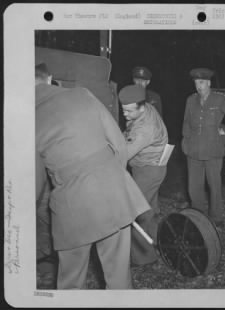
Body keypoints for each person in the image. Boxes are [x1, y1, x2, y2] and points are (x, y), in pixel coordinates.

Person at [35, 62, 151, 289]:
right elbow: (118, 145)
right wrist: (109, 180)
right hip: (113, 194)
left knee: (71, 281)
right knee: (119, 278)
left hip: (71, 206)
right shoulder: (82, 94)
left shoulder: (26, 119)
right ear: (50, 79)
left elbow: (36, 183)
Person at [118, 84, 168, 266]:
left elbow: (123, 155)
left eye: (129, 111)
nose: (125, 115)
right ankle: (155, 248)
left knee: (134, 211)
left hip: (149, 171)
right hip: (151, 167)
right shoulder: (146, 109)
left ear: (141, 106)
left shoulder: (146, 129)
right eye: (123, 110)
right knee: (148, 211)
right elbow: (128, 131)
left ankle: (141, 258)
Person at [182, 68, 225, 225]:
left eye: (201, 83)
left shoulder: (219, 99)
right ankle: (197, 217)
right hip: (193, 150)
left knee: (214, 186)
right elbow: (186, 122)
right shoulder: (190, 100)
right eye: (195, 83)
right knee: (194, 187)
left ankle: (216, 218)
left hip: (213, 149)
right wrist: (185, 142)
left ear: (208, 83)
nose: (198, 86)